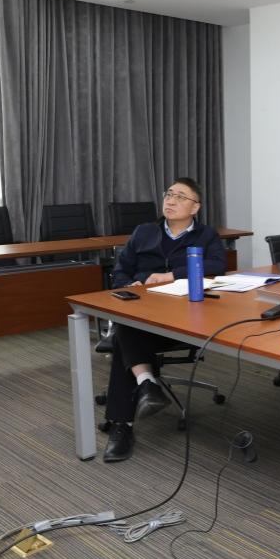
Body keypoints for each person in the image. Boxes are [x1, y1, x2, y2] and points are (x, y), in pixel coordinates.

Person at [103, 177, 227, 462]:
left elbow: (217, 265)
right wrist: (129, 286)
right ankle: (142, 390)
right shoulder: (144, 232)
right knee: (127, 322)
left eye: (181, 196)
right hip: (142, 314)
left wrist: (171, 275)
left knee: (124, 337)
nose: (171, 200)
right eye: (169, 194)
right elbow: (120, 271)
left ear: (195, 207)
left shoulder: (206, 235)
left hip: (186, 321)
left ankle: (126, 417)